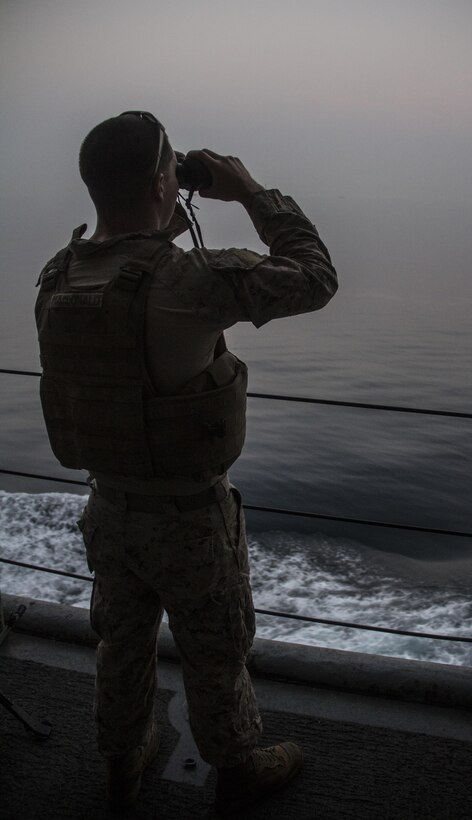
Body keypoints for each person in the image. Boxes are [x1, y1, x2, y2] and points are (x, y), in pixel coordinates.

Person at [35, 111, 337, 815]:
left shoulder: (61, 274)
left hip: (108, 509)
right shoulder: (192, 282)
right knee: (215, 651)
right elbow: (315, 278)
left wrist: (162, 203)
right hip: (188, 521)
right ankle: (236, 769)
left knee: (121, 643)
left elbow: (132, 270)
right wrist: (250, 190)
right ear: (161, 179)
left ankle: (122, 762)